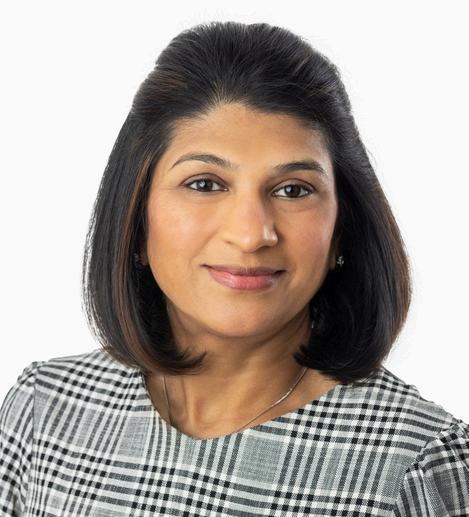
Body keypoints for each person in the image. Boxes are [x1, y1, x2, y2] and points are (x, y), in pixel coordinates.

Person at [1, 20, 468, 516]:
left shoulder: (419, 464)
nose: (251, 234)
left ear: (341, 230)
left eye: (293, 190)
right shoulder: (44, 410)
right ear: (135, 220)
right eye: (204, 184)